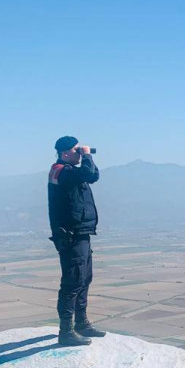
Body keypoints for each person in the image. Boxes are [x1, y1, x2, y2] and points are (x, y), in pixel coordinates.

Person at [48, 136, 106, 346]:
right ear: (65, 153)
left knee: (84, 278)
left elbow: (94, 174)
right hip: (71, 235)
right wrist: (88, 155)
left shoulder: (68, 171)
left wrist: (85, 157)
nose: (79, 153)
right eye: (76, 150)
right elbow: (90, 175)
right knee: (72, 282)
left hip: (80, 233)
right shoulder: (61, 171)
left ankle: (82, 323)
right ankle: (66, 331)